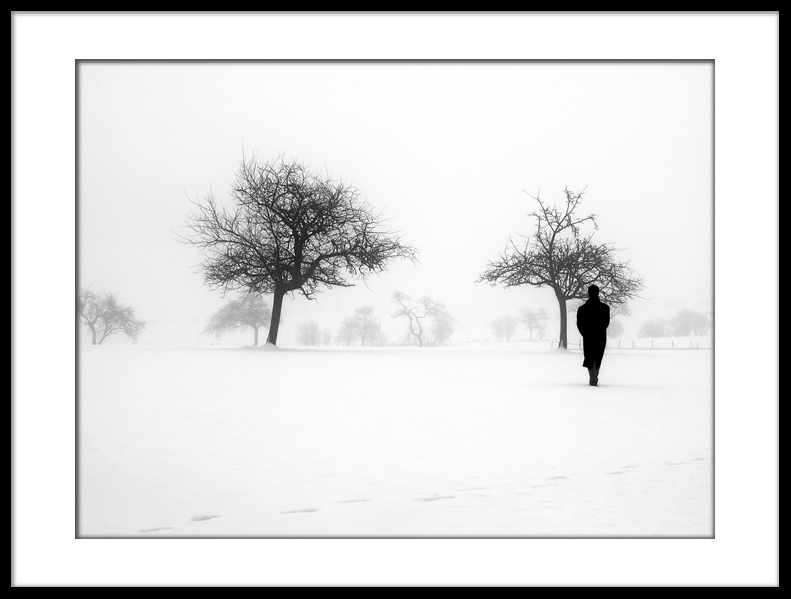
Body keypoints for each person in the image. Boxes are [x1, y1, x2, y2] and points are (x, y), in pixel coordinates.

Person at [576, 284, 610, 386]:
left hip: (588, 336)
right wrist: (600, 330)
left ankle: (593, 377)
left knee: (589, 357)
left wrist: (585, 334)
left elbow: (580, 324)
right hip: (600, 335)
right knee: (598, 356)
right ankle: (594, 376)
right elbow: (606, 323)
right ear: (598, 293)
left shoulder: (582, 309)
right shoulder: (605, 308)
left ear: (588, 293)